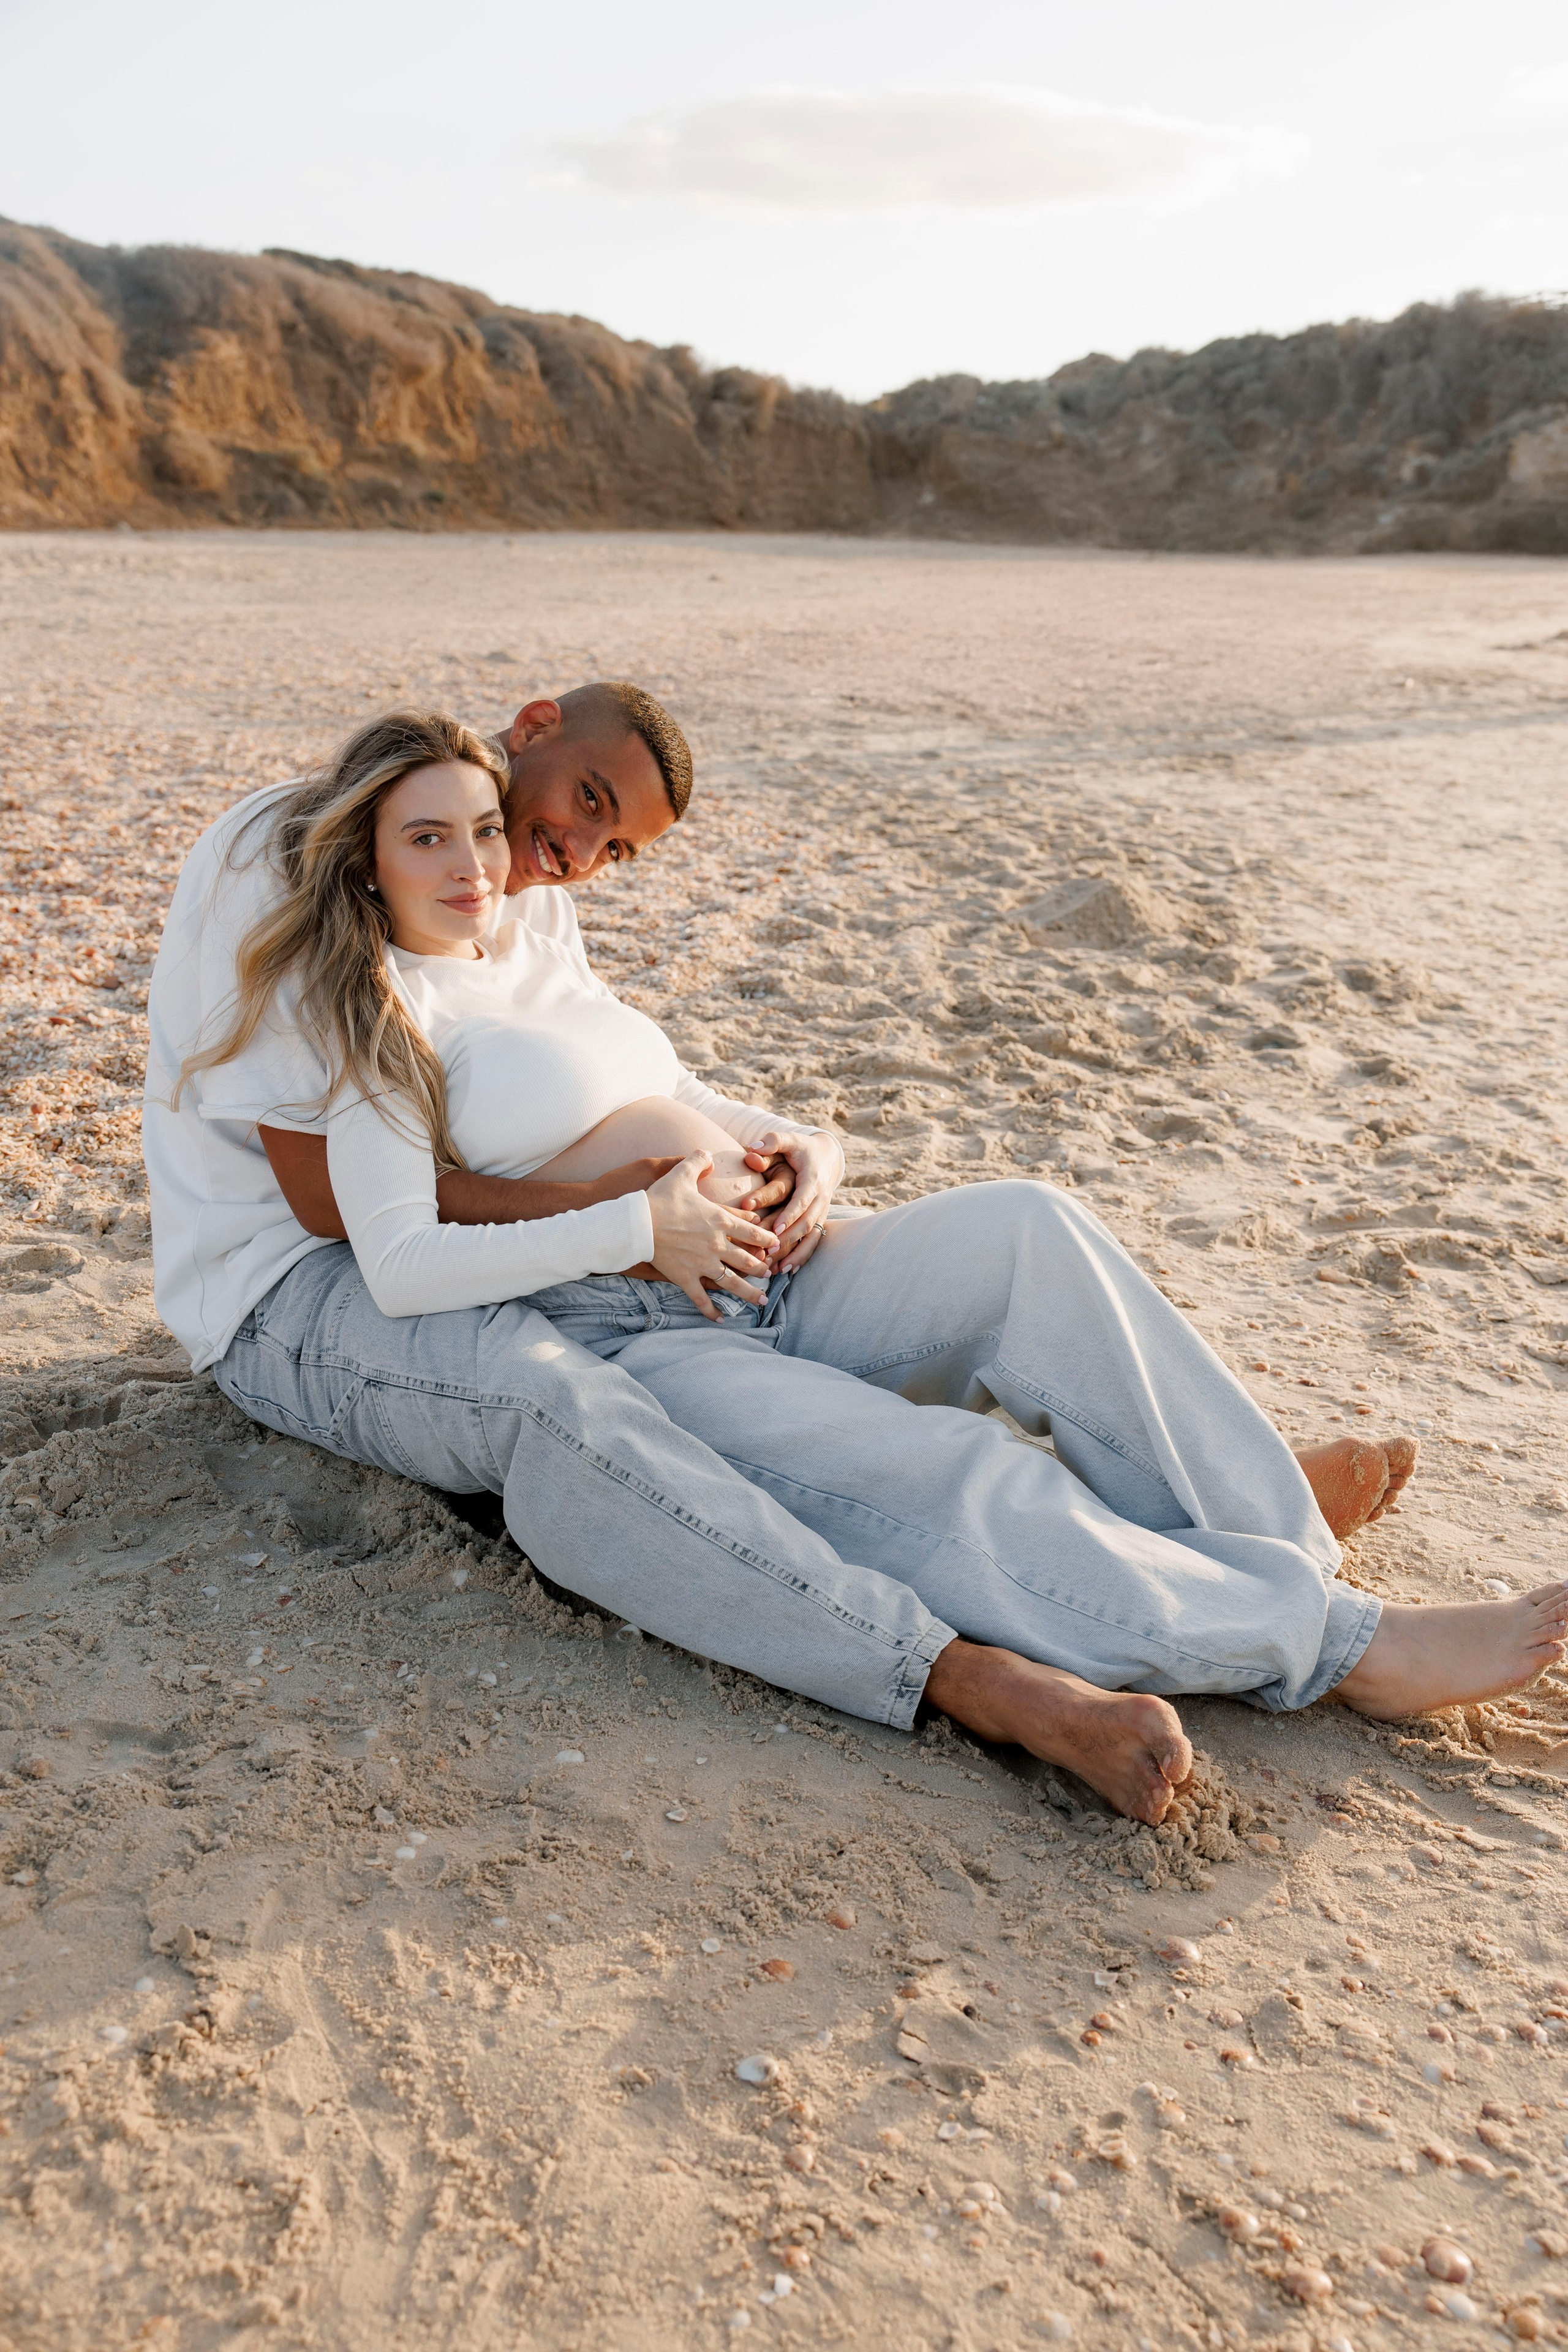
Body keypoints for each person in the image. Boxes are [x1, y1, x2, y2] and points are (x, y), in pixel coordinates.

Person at [148, 702, 1568, 1828]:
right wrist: (631, 1218)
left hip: (726, 1255)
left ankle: (1267, 1537)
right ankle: (1329, 1643)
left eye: (597, 843)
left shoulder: (519, 900)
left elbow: (639, 1076)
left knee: (1025, 1230)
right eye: (561, 807)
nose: (542, 854)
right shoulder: (339, 962)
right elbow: (363, 1220)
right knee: (930, 1469)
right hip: (561, 1295)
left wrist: (792, 1145)